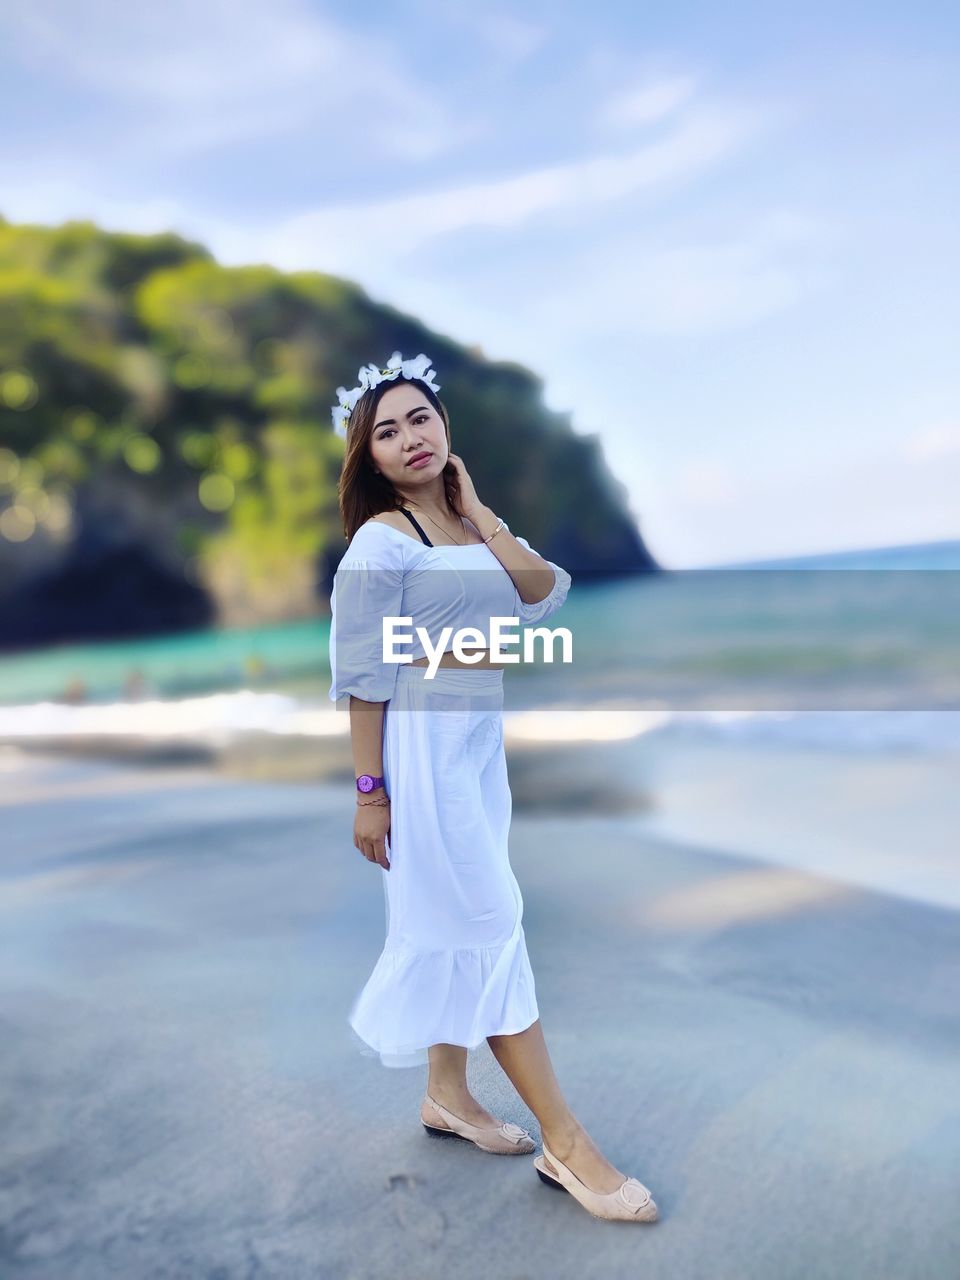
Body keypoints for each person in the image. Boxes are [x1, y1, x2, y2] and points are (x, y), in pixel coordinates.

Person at [327, 352, 658, 1223]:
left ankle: (447, 1095)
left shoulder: (473, 527)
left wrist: (480, 515)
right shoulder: (380, 542)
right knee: (489, 923)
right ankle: (568, 1144)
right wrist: (371, 791)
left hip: (476, 750)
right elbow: (364, 674)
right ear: (370, 457)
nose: (409, 439)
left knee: (455, 919)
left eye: (420, 419)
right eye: (386, 431)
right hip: (420, 756)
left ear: (446, 429)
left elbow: (544, 593)